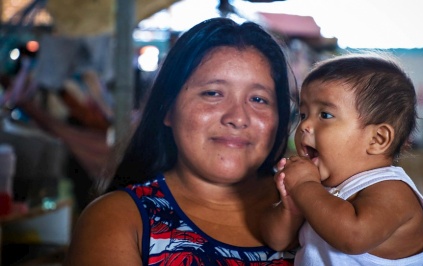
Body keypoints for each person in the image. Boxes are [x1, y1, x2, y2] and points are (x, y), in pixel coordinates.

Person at [63, 17, 298, 265]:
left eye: (259, 99)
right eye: (213, 93)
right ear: (167, 109)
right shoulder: (119, 220)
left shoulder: (314, 206)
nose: (238, 118)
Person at [261, 53, 423, 265]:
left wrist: (304, 185)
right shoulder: (316, 189)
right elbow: (277, 241)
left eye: (325, 115)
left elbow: (353, 237)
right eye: (303, 115)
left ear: (377, 139)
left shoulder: (392, 191)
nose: (304, 126)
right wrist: (290, 208)